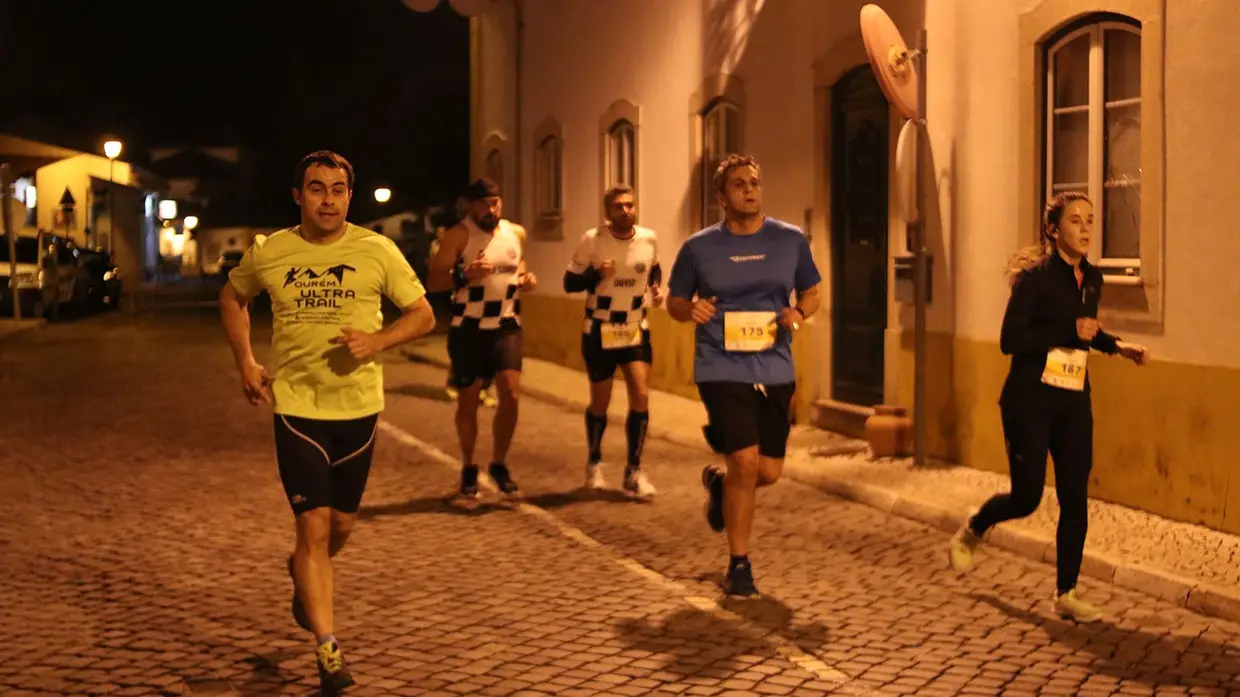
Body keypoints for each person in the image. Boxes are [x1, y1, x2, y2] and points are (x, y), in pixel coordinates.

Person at [219, 150, 436, 694]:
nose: (328, 199)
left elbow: (423, 313)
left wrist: (378, 341)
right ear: (298, 196)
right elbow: (232, 296)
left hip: (359, 408)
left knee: (340, 527)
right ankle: (328, 649)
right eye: (317, 188)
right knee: (312, 527)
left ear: (349, 196)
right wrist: (246, 361)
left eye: (338, 189)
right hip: (296, 407)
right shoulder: (270, 250)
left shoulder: (376, 249)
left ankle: (303, 575)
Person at [947, 191, 1149, 623]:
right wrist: (1066, 329)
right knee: (1027, 496)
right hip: (1029, 402)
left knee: (1076, 497)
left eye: (1091, 221)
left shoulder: (1092, 278)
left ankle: (1067, 592)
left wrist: (1118, 346)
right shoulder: (1034, 279)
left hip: (1074, 400)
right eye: (1076, 221)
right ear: (1054, 229)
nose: (1086, 229)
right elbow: (1011, 340)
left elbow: (1086, 332)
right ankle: (975, 528)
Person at [666, 154, 822, 597]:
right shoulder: (698, 248)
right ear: (722, 197)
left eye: (754, 181)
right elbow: (675, 301)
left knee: (767, 473)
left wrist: (798, 313)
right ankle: (739, 563)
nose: (749, 189)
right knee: (748, 462)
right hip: (720, 364)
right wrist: (690, 309)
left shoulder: (789, 240)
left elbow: (811, 291)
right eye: (738, 184)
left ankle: (720, 484)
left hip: (775, 365)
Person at [427, 178, 536, 499]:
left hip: (506, 325)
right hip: (469, 329)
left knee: (512, 394)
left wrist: (526, 279)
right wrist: (464, 275)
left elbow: (518, 265)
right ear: (471, 206)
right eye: (485, 204)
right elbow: (434, 282)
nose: (491, 209)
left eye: (496, 203)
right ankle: (469, 466)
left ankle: (499, 463)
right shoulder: (457, 235)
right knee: (469, 401)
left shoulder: (515, 232)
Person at [562, 183, 663, 498]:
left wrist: (657, 288)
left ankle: (634, 470)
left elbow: (654, 268)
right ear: (607, 212)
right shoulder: (593, 241)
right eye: (619, 206)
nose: (626, 211)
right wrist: (595, 275)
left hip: (634, 327)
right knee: (601, 402)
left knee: (641, 395)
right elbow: (569, 282)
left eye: (630, 205)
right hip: (600, 328)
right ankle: (594, 462)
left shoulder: (648, 238)